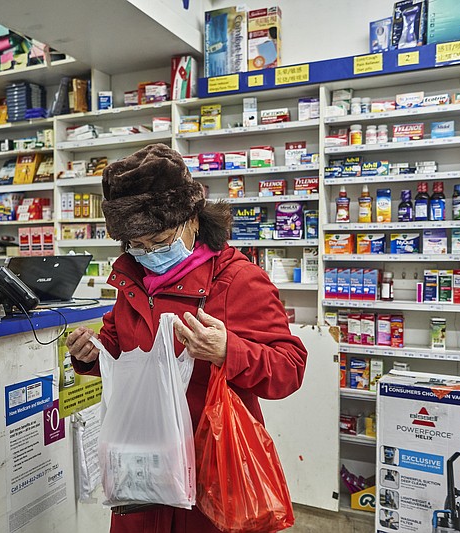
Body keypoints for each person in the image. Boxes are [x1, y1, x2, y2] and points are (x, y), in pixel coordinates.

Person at [65, 143, 307, 533]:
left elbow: (290, 368)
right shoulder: (133, 279)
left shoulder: (238, 280)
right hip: (141, 475)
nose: (148, 254)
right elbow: (117, 341)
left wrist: (230, 351)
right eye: (136, 246)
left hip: (210, 475)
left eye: (159, 242)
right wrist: (91, 354)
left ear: (191, 218)